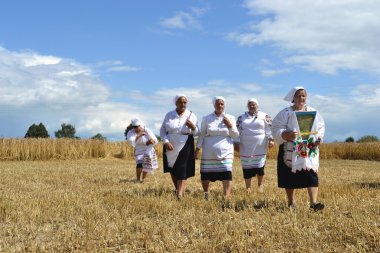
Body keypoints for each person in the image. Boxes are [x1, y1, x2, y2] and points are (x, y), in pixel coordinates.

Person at [271, 87, 325, 211]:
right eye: (299, 96)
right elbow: (276, 128)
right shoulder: (285, 113)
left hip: (308, 149)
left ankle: (313, 203)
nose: (301, 98)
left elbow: (320, 126)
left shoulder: (313, 112)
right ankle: (291, 202)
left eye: (303, 96)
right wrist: (285, 134)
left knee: (311, 174)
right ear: (293, 98)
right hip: (289, 148)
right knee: (289, 176)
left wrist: (319, 138)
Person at [195, 96, 239, 200]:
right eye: (218, 104)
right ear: (214, 105)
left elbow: (235, 135)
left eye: (222, 104)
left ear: (224, 105)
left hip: (226, 150)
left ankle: (226, 196)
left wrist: (230, 126)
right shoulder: (206, 118)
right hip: (209, 151)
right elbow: (202, 134)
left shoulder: (231, 118)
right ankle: (206, 194)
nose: (220, 106)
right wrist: (197, 149)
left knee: (227, 172)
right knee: (206, 173)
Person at [160, 94, 198, 198]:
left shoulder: (192, 115)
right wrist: (166, 141)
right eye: (180, 102)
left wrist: (193, 127)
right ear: (176, 103)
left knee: (182, 168)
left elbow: (196, 133)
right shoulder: (169, 115)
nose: (183, 104)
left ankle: (179, 194)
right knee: (172, 168)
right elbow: (162, 130)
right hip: (170, 144)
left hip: (185, 143)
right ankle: (177, 189)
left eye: (185, 102)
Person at [235, 98, 274, 193]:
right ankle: (248, 187)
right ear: (247, 106)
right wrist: (236, 142)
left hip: (259, 146)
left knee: (260, 166)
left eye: (254, 104)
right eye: (250, 105)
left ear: (258, 105)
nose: (252, 106)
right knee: (247, 166)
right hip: (245, 147)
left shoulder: (265, 116)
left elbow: (269, 129)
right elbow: (237, 131)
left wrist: (271, 139)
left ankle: (260, 185)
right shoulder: (241, 118)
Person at [126, 117, 158, 183]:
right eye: (134, 127)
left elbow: (154, 140)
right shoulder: (131, 132)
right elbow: (131, 141)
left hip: (148, 149)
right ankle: (138, 179)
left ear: (140, 125)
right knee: (139, 164)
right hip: (139, 150)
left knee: (146, 164)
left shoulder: (146, 130)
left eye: (137, 127)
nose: (136, 128)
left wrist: (150, 142)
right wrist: (139, 135)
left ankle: (143, 179)